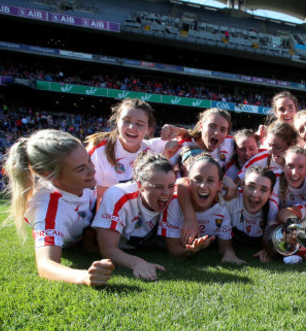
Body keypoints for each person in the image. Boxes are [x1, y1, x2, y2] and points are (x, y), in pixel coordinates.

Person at [3, 129, 114, 287]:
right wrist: (84, 276)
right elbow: (46, 265)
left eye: (89, 160)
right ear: (50, 175)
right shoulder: (49, 207)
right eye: (81, 168)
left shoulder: (83, 183)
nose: (92, 169)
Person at [92, 152, 176, 281]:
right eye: (158, 187)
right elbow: (107, 249)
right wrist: (137, 263)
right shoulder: (117, 195)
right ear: (140, 186)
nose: (166, 193)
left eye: (171, 186)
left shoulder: (175, 199)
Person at [163, 153, 244, 264]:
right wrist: (190, 250)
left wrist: (229, 254)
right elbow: (173, 249)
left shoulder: (224, 203)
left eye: (210, 180)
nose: (203, 186)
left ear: (219, 185)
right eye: (198, 179)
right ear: (188, 182)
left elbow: (225, 244)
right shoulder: (175, 203)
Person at [86, 99, 165, 199]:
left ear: (149, 129)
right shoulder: (98, 150)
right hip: (105, 211)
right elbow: (88, 191)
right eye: (126, 121)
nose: (132, 127)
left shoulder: (153, 148)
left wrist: (179, 131)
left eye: (140, 124)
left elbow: (188, 138)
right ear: (117, 121)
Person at [226, 166, 278, 262]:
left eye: (263, 190)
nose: (255, 194)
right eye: (251, 186)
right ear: (242, 185)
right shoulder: (232, 199)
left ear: (270, 193)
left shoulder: (272, 207)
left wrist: (268, 249)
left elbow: (272, 239)